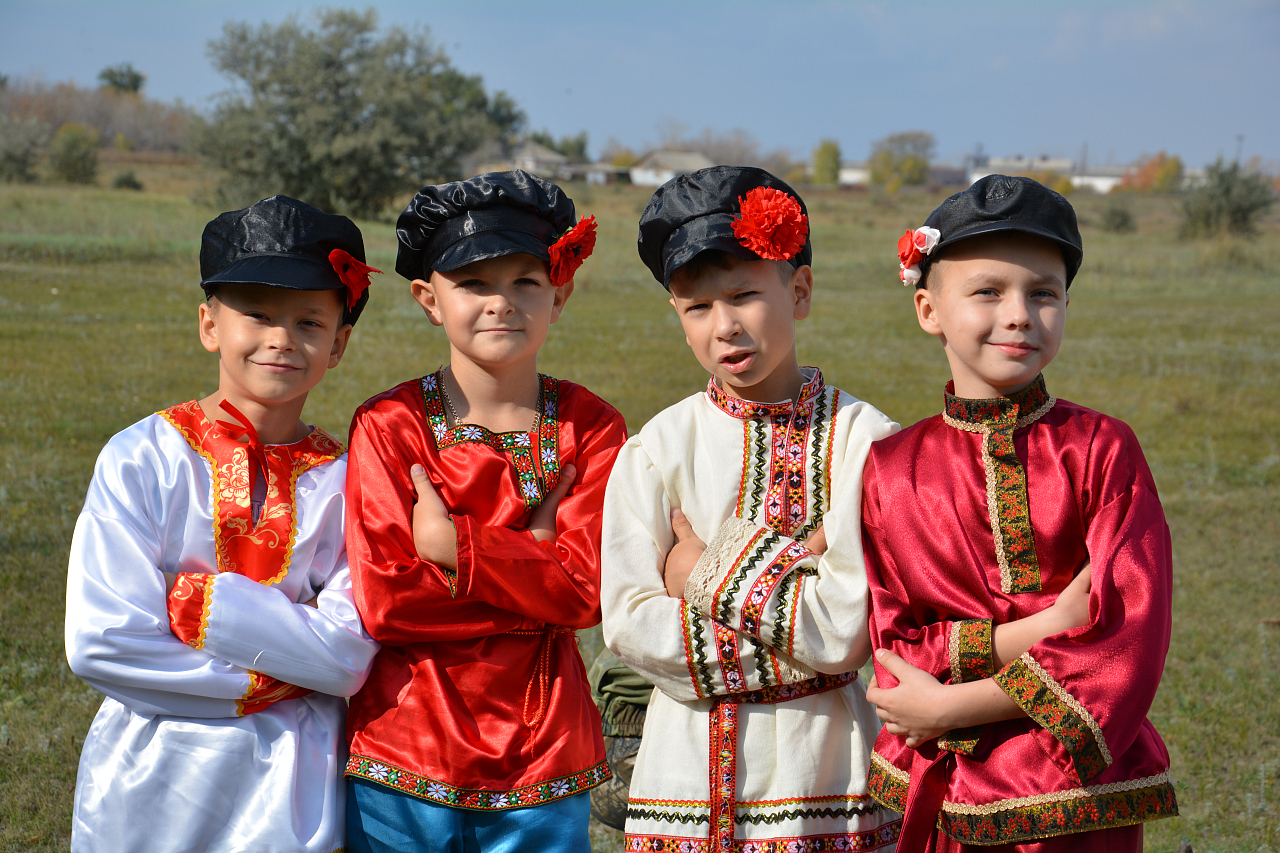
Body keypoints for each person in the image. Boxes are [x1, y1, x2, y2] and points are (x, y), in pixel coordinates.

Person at [861, 175, 1178, 851]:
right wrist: (1050, 623)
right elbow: (896, 648)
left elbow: (1124, 635)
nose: (1019, 314)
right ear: (928, 308)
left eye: (1043, 292)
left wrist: (953, 703)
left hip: (1078, 802)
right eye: (987, 291)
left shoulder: (1101, 449)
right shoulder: (890, 468)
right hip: (944, 783)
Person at [65, 195, 382, 853]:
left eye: (307, 321)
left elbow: (349, 656)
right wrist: (287, 666)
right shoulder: (142, 457)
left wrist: (210, 608)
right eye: (257, 315)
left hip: (289, 785)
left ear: (339, 342)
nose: (280, 339)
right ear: (210, 323)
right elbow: (102, 640)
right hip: (148, 772)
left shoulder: (350, 477)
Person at [601, 165, 904, 852]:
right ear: (676, 318)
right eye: (698, 306)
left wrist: (706, 567)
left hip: (829, 775)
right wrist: (802, 609)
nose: (726, 325)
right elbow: (628, 623)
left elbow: (850, 630)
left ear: (798, 292)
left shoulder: (868, 442)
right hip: (681, 781)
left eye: (744, 294)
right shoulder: (655, 450)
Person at [343, 170, 628, 852]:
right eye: (473, 284)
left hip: (544, 752)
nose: (501, 303)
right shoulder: (390, 425)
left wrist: (453, 547)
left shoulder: (590, 426)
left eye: (524, 282)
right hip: (406, 749)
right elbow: (385, 601)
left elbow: (589, 590)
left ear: (559, 294)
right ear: (428, 298)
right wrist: (533, 557)